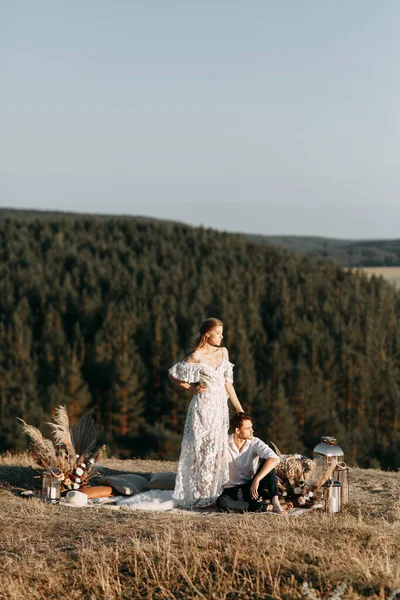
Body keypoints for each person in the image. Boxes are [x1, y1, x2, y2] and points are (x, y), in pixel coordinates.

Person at [169, 318, 244, 508]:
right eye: (218, 333)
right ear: (208, 333)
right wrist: (190, 388)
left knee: (216, 450)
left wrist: (239, 409)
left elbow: (228, 384)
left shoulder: (223, 352)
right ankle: (200, 496)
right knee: (202, 451)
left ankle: (213, 494)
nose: (222, 336)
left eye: (221, 333)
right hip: (202, 408)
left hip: (220, 409)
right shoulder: (196, 355)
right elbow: (173, 373)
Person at [217, 412, 289, 514]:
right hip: (230, 489)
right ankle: (266, 507)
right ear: (237, 430)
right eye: (248, 428)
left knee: (267, 463)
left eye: (251, 427)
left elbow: (274, 458)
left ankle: (275, 502)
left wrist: (257, 479)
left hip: (251, 488)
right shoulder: (223, 443)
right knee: (223, 504)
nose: (252, 430)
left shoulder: (255, 442)